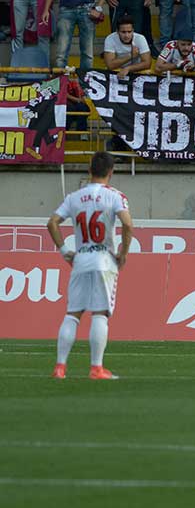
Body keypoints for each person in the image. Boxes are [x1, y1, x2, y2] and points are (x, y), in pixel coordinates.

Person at [45, 151, 134, 381]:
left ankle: (60, 367)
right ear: (111, 172)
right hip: (104, 260)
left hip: (81, 259)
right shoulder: (115, 196)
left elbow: (52, 222)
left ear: (89, 170)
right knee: (100, 314)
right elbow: (127, 224)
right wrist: (123, 253)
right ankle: (96, 368)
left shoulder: (74, 197)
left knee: (72, 314)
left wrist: (65, 251)